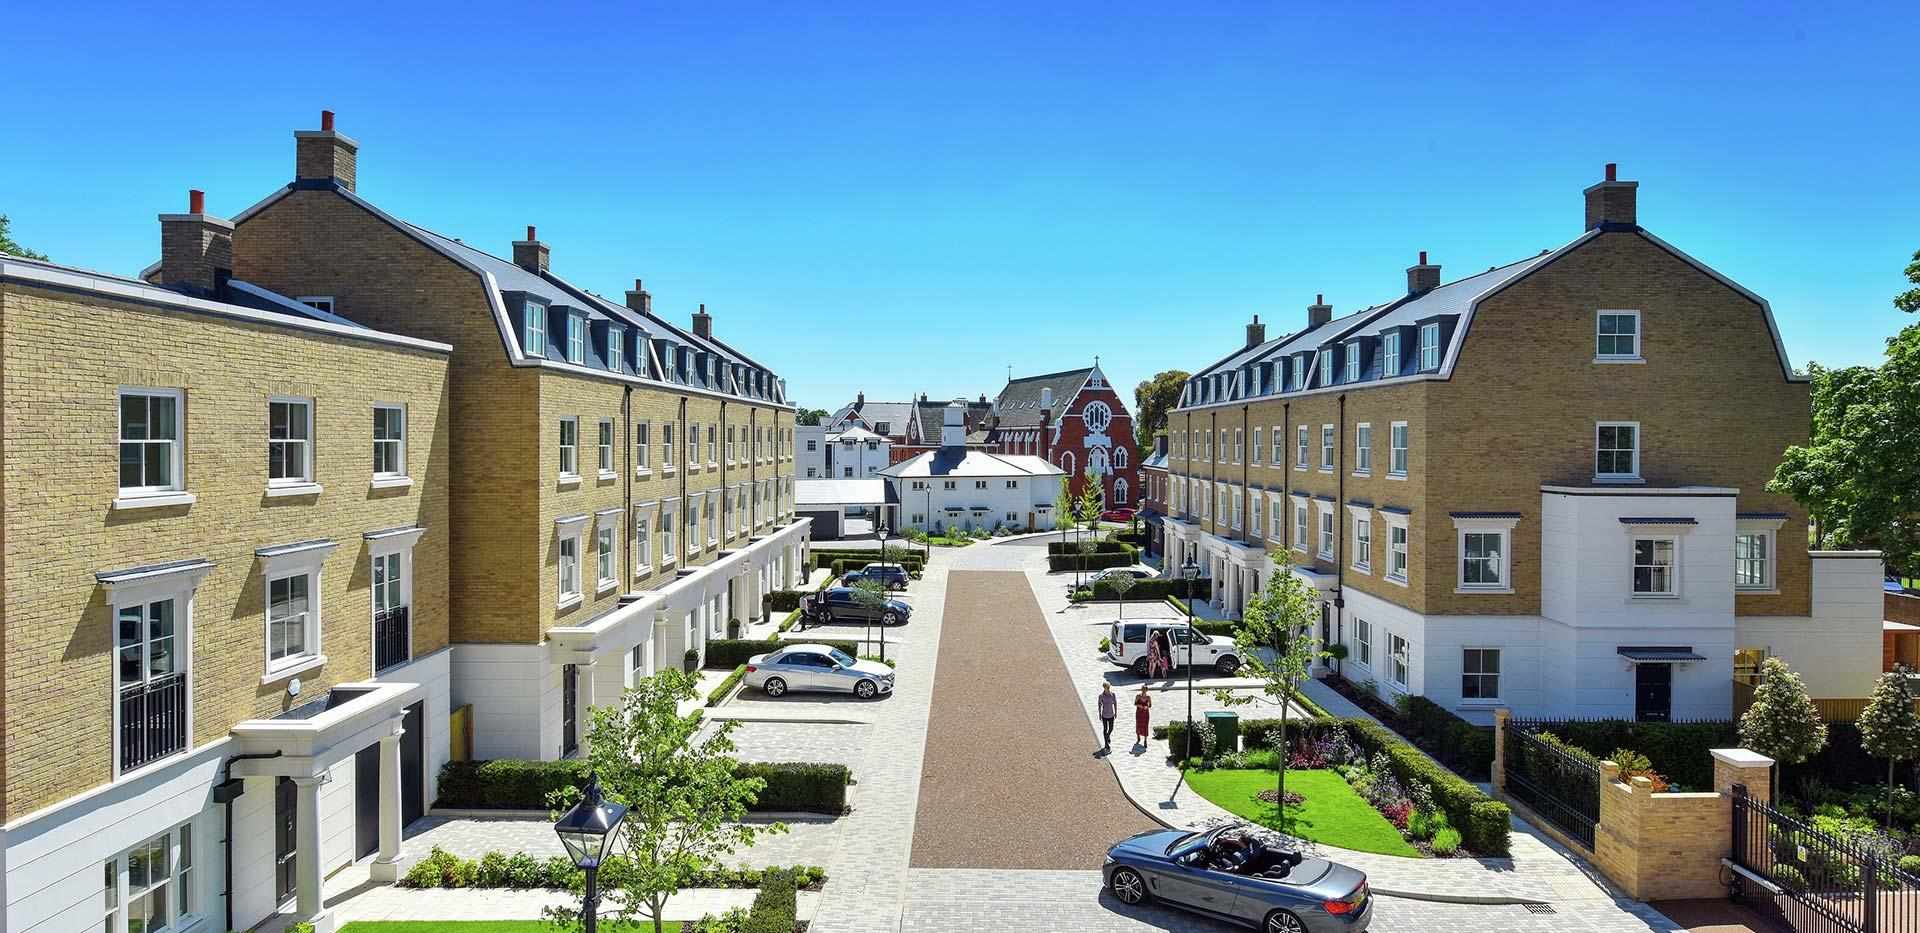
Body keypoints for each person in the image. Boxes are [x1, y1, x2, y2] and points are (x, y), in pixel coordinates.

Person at [1097, 683, 1118, 752]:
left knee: (1111, 728)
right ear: (1104, 688)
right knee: (1105, 729)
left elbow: (1115, 703)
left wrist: (1116, 712)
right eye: (1106, 687)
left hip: (1111, 714)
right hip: (1104, 715)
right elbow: (1099, 705)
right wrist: (1100, 714)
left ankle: (1108, 736)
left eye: (1108, 687)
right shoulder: (1101, 696)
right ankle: (1106, 744)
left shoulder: (1113, 695)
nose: (1108, 689)